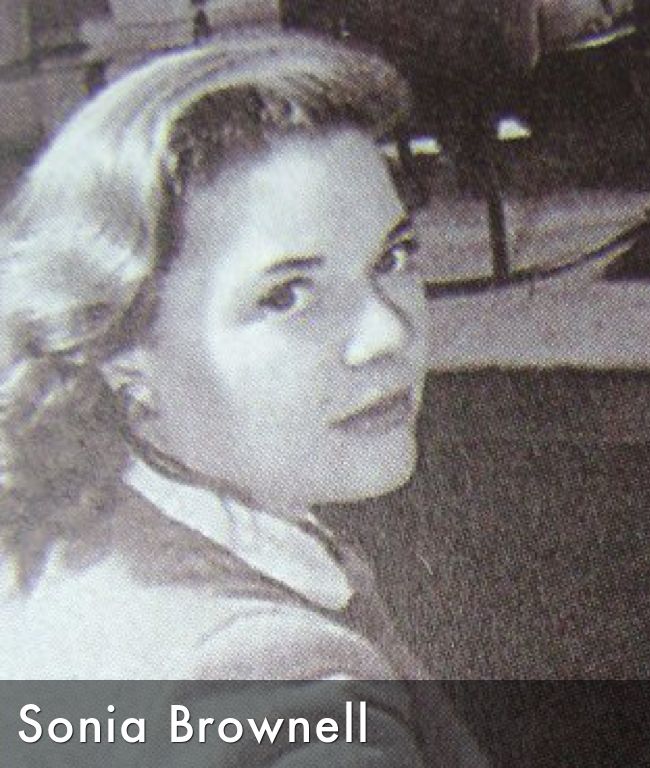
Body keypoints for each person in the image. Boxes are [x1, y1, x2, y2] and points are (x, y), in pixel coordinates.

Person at [0, 30, 485, 766]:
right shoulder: (279, 681)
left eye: (391, 257)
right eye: (286, 295)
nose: (387, 332)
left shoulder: (66, 522)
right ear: (125, 355)